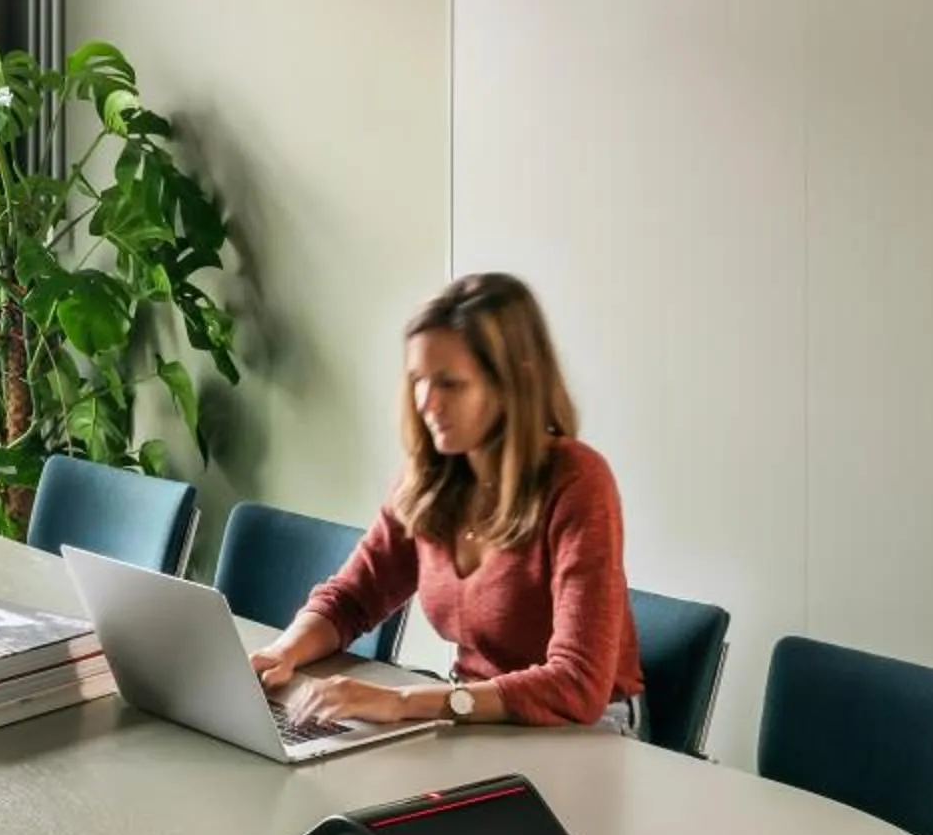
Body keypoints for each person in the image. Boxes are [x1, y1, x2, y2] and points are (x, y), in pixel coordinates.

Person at [254, 272, 645, 734]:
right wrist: (283, 653)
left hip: (583, 734)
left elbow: (578, 685)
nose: (426, 403)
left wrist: (402, 701)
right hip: (472, 719)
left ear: (513, 382)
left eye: (450, 384)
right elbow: (353, 598)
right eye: (418, 380)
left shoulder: (578, 482)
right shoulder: (432, 478)